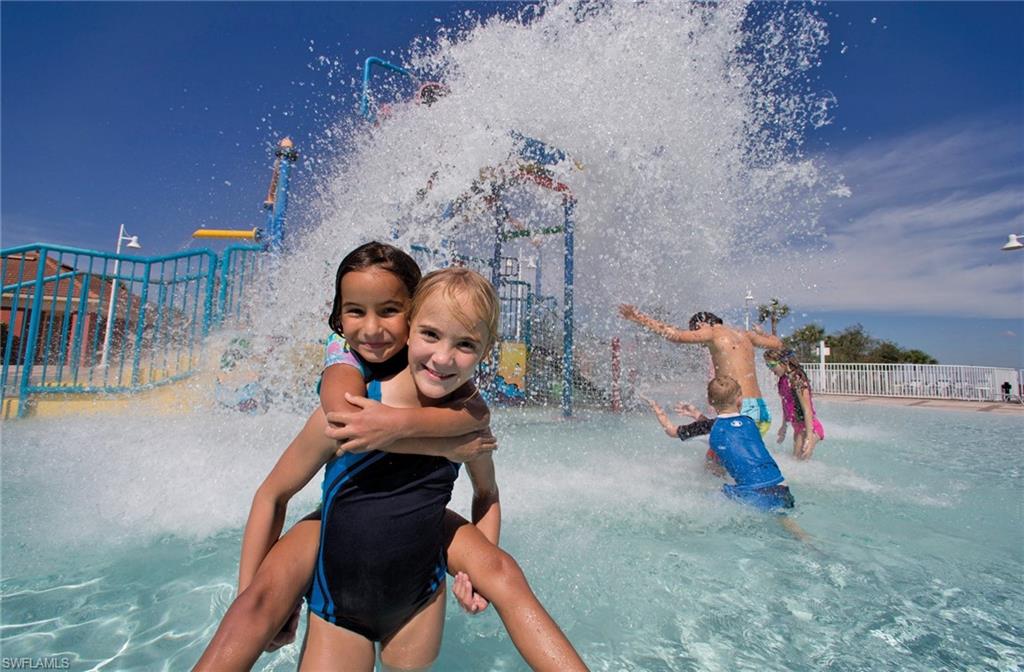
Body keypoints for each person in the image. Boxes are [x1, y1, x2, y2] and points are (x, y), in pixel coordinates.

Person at [195, 246, 585, 671]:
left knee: (504, 572)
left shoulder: (467, 418)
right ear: (414, 325)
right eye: (431, 335)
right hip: (340, 595)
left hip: (417, 599)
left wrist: (479, 569)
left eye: (466, 344)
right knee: (257, 603)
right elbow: (274, 491)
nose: (442, 357)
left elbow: (487, 490)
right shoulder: (355, 404)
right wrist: (248, 594)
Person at [644, 377, 805, 539]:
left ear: (710, 401)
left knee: (701, 505)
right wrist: (696, 414)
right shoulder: (749, 422)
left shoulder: (711, 428)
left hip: (752, 493)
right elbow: (725, 428)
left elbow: (672, 431)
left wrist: (660, 413)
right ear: (740, 399)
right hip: (781, 487)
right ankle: (805, 540)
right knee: (783, 518)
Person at [764, 349, 824, 460]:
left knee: (799, 460)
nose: (770, 369)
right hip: (798, 426)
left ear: (785, 362)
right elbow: (785, 404)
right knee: (797, 460)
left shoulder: (797, 379)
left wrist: (809, 438)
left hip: (810, 427)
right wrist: (784, 426)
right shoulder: (782, 381)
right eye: (767, 365)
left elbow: (807, 410)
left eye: (772, 364)